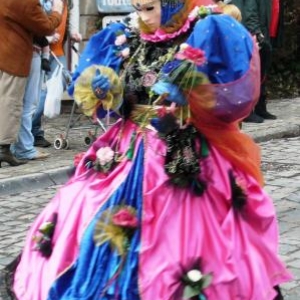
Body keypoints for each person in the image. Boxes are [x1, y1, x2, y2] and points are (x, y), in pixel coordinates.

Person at [2, 0, 292, 299]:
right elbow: (109, 109)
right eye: (138, 8)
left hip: (180, 150)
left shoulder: (202, 29)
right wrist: (107, 92)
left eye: (149, 8)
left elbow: (232, 100)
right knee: (84, 204)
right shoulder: (124, 36)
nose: (142, 17)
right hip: (126, 148)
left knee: (189, 230)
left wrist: (192, 93)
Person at [0, 0, 62, 167]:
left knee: (7, 102)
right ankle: (6, 149)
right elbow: (46, 27)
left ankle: (13, 147)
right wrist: (57, 11)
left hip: (5, 52)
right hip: (16, 56)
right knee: (13, 104)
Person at [32, 0, 82, 148]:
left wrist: (73, 32)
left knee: (55, 87)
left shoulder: (68, 2)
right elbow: (34, 22)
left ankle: (33, 131)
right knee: (40, 92)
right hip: (40, 50)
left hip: (58, 51)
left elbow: (68, 18)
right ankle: (31, 131)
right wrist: (46, 38)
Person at [231, 0, 283, 123]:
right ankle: (247, 111)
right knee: (251, 73)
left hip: (268, 33)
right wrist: (256, 32)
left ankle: (260, 107)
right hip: (257, 34)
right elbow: (250, 11)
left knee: (262, 73)